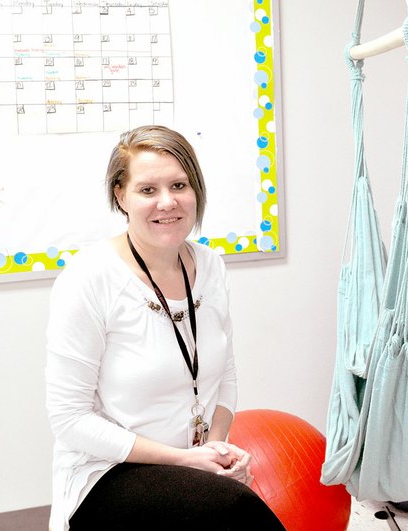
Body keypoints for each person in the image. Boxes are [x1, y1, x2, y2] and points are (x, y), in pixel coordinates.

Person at [45, 125, 285, 530]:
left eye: (179, 185)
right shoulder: (88, 277)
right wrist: (187, 461)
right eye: (148, 190)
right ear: (120, 195)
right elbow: (69, 420)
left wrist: (214, 447)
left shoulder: (210, 265)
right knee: (234, 510)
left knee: (227, 503)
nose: (168, 202)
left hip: (193, 465)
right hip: (108, 472)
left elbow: (224, 373)